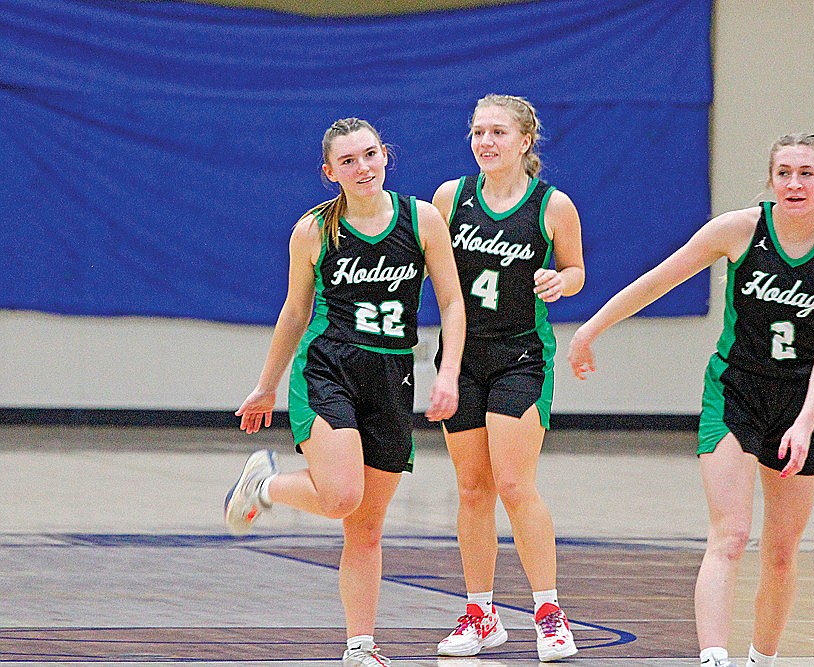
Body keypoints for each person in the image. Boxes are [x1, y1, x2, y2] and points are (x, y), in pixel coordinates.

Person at [568, 134, 814, 667]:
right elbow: (658, 280)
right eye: (784, 172)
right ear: (770, 179)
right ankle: (713, 657)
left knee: (780, 552)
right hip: (735, 390)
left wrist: (805, 422)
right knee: (730, 534)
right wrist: (590, 329)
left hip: (799, 402)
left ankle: (763, 657)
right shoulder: (739, 229)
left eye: (806, 173)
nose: (794, 183)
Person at [224, 117, 465, 667]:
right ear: (329, 172)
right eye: (349, 161)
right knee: (341, 497)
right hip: (328, 369)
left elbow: (452, 303)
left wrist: (446, 372)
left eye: (370, 154)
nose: (363, 167)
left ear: (387, 155)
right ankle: (266, 486)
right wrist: (266, 387)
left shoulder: (422, 220)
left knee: (366, 527)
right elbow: (295, 311)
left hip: (392, 377)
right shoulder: (314, 230)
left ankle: (360, 648)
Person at [431, 94, 585, 662]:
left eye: (497, 131)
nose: (485, 142)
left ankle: (548, 611)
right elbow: (422, 258)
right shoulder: (451, 198)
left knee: (516, 484)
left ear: (525, 141)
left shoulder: (552, 205)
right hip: (462, 357)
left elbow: (576, 270)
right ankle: (480, 613)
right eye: (477, 132)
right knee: (473, 488)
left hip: (521, 355)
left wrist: (560, 283)